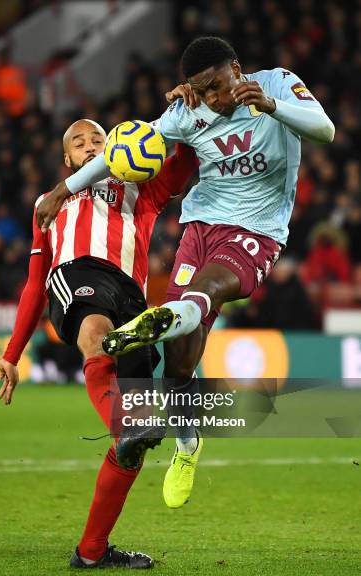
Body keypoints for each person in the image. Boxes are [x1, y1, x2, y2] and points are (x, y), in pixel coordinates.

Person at [34, 37, 335, 510]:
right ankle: (188, 444)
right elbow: (119, 153)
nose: (213, 99)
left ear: (237, 69)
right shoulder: (187, 112)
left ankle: (160, 319)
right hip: (200, 227)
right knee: (178, 365)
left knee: (206, 291)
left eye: (217, 86)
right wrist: (61, 190)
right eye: (202, 90)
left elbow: (325, 131)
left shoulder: (278, 83)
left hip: (256, 230)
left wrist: (273, 106)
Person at [0, 118, 197, 569]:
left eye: (98, 140)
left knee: (137, 441)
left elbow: (186, 157)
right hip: (77, 275)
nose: (90, 147)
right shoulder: (48, 203)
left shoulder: (142, 188)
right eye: (79, 143)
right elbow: (34, 284)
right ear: (67, 160)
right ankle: (124, 426)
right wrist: (12, 353)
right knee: (96, 335)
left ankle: (91, 552)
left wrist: (186, 110)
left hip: (135, 302)